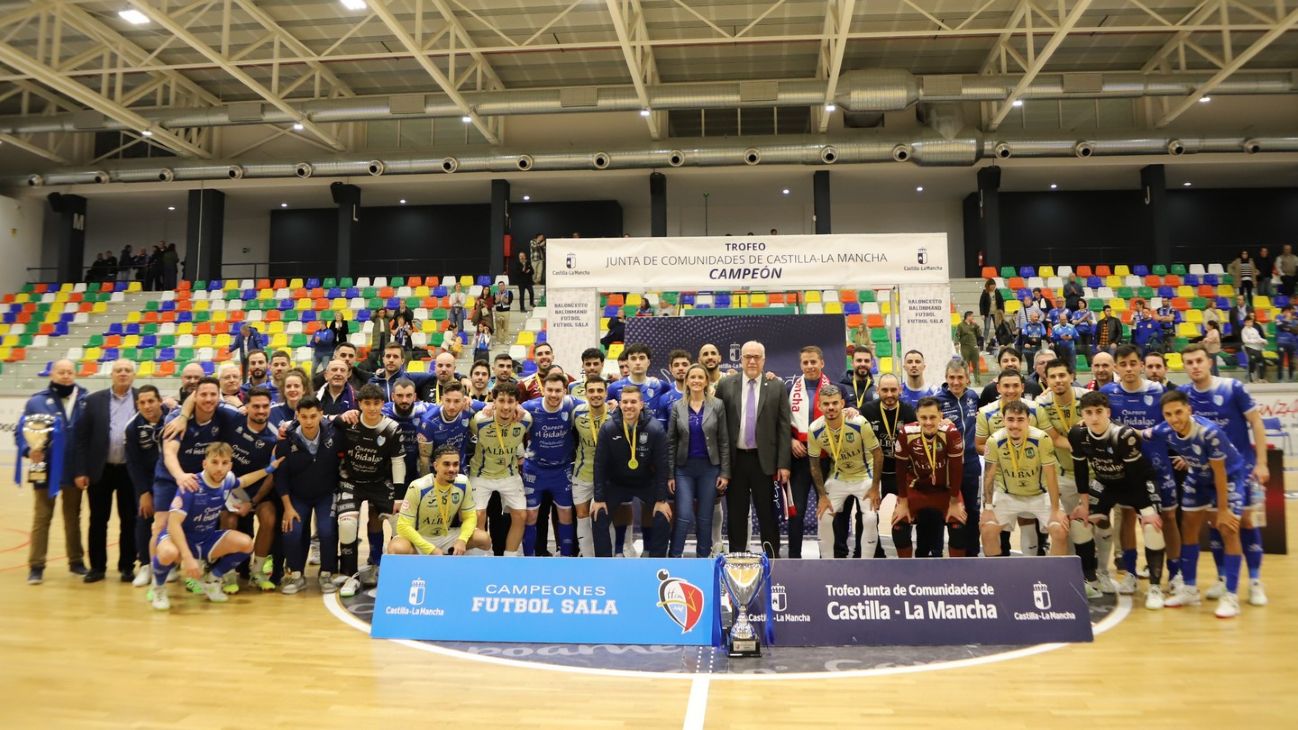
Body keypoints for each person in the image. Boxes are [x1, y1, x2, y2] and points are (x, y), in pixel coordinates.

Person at [1179, 344, 1269, 607]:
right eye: (1189, 362)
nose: (1195, 366)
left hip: (1241, 470)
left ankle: (1255, 581)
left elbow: (1256, 422)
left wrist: (1262, 463)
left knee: (1246, 522)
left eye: (1199, 360)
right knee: (1216, 523)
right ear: (1184, 367)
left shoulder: (1232, 388)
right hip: (1208, 475)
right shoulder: (1184, 394)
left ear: (1209, 362)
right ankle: (1222, 577)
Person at [1149, 391, 1248, 618]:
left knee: (1228, 529)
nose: (1174, 419)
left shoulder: (1209, 432)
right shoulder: (1164, 429)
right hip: (1198, 477)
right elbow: (1140, 433)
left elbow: (1220, 473)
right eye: (1168, 414)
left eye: (1178, 412)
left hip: (1228, 478)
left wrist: (1223, 510)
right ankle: (1190, 589)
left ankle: (1231, 596)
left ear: (1189, 410)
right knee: (1188, 528)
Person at [148, 443, 280, 610]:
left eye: (224, 463)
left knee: (246, 544)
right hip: (179, 538)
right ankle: (158, 587)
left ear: (230, 465)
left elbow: (244, 481)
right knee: (168, 552)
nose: (219, 468)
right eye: (215, 462)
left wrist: (269, 469)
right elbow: (173, 525)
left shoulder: (228, 479)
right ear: (205, 463)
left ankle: (212, 580)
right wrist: (187, 558)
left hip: (205, 539)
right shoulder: (191, 485)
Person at [1070, 392, 1166, 609]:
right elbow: (1080, 470)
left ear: (1108, 412)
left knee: (1152, 527)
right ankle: (1091, 581)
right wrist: (1083, 503)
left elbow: (1134, 477)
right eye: (1088, 413)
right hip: (1106, 482)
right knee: (1079, 522)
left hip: (1137, 483)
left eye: (1099, 412)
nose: (1094, 417)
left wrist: (1146, 510)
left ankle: (1155, 588)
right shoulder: (1077, 434)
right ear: (1082, 414)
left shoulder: (1123, 435)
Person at [714, 341, 791, 558]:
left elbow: (784, 427)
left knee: (767, 514)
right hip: (735, 461)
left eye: (757, 357)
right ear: (741, 360)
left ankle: (772, 558)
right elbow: (717, 423)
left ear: (764, 360)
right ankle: (737, 559)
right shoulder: (726, 384)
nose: (752, 361)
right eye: (748, 356)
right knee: (736, 514)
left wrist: (783, 464)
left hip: (764, 461)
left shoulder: (776, 386)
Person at [17, 360, 90, 584]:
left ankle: (76, 561)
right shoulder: (37, 401)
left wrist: (85, 468)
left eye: (69, 372)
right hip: (44, 467)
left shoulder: (85, 399)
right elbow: (21, 432)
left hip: (73, 468)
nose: (66, 376)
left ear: (75, 374)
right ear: (52, 374)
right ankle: (36, 566)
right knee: (42, 516)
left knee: (73, 516)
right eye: (61, 372)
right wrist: (29, 450)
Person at [331, 384, 404, 597]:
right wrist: (338, 416)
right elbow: (322, 419)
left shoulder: (392, 428)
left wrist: (399, 496)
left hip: (379, 481)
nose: (372, 408)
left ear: (383, 404)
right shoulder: (348, 422)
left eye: (376, 403)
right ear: (359, 404)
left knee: (400, 523)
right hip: (351, 481)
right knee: (347, 524)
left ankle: (382, 566)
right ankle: (350, 575)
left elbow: (398, 462)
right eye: (367, 403)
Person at [69, 360, 137, 584]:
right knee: (98, 520)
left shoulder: (142, 398)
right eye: (119, 370)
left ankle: (127, 566)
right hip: (100, 470)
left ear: (134, 375)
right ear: (112, 374)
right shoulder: (93, 400)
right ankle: (97, 567)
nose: (123, 374)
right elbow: (81, 438)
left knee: (130, 520)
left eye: (127, 370)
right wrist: (80, 470)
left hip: (130, 471)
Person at [979, 401, 1068, 557]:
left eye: (1020, 420)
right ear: (1003, 420)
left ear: (1029, 420)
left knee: (1060, 530)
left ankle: (1053, 572)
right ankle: (996, 572)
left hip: (1039, 495)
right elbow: (989, 476)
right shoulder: (994, 441)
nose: (1015, 425)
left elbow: (1051, 475)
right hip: (1007, 494)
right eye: (1010, 419)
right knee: (987, 529)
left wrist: (1055, 510)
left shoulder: (1042, 438)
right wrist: (987, 508)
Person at [591, 385, 671, 557]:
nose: (629, 406)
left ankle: (656, 561)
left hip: (645, 482)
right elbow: (599, 465)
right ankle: (603, 563)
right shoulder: (608, 428)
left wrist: (661, 499)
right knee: (598, 513)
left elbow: (662, 465)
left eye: (633, 402)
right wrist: (599, 498)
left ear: (641, 404)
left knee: (663, 514)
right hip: (617, 483)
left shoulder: (655, 429)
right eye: (625, 402)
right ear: (620, 404)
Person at [276, 396, 340, 594]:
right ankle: (296, 575)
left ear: (321, 414)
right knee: (291, 530)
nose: (309, 421)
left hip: (326, 495)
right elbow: (280, 478)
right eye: (304, 417)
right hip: (298, 497)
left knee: (327, 530)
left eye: (313, 416)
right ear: (297, 416)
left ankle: (326, 573)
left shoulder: (334, 435)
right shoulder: (286, 441)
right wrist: (287, 507)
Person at [666, 364, 730, 558]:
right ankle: (674, 558)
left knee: (704, 518)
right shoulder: (677, 406)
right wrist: (670, 474)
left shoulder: (717, 405)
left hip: (709, 469)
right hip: (684, 470)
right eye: (692, 377)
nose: (696, 380)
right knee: (684, 515)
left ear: (706, 381)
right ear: (686, 381)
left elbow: (724, 440)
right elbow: (671, 443)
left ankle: (703, 560)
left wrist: (725, 473)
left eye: (700, 377)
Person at [893, 397, 965, 558]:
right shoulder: (906, 432)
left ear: (940, 416)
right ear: (917, 417)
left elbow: (956, 469)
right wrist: (902, 501)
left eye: (932, 417)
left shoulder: (951, 432)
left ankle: (957, 570)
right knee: (898, 527)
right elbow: (900, 469)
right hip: (916, 489)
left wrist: (954, 501)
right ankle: (904, 569)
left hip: (946, 491)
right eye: (923, 418)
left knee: (959, 528)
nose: (928, 422)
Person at [390, 444, 492, 557]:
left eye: (455, 464)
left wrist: (462, 540)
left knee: (483, 538)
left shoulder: (463, 483)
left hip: (447, 537)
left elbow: (470, 517)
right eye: (446, 464)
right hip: (420, 538)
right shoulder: (418, 487)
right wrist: (431, 549)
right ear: (436, 466)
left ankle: (468, 566)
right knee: (396, 548)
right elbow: (403, 526)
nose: (452, 469)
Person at [469, 382, 533, 556]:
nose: (506, 407)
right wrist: (485, 406)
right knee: (478, 515)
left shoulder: (525, 420)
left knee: (521, 515)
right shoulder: (480, 421)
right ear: (494, 401)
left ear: (517, 403)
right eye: (501, 401)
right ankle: (480, 557)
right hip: (481, 474)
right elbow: (467, 404)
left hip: (509, 474)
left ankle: (509, 558)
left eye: (510, 401)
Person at [520, 373, 580, 557]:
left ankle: (566, 556)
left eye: (558, 391)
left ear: (565, 391)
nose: (554, 395)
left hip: (561, 471)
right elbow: (506, 408)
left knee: (566, 514)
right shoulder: (530, 407)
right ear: (543, 390)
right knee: (531, 516)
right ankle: (528, 559)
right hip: (534, 469)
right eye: (550, 390)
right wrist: (487, 406)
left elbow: (596, 406)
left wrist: (612, 404)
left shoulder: (572, 404)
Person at [859, 373, 917, 558]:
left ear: (900, 390)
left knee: (902, 519)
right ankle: (871, 555)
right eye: (885, 390)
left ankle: (905, 559)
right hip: (875, 475)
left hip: (901, 474)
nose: (890, 394)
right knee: (867, 516)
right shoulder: (866, 411)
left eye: (893, 390)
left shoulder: (909, 412)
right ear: (877, 390)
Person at [786, 345, 832, 558]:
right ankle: (794, 557)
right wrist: (790, 440)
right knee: (797, 511)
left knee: (828, 510)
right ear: (800, 365)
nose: (810, 366)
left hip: (826, 458)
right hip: (800, 458)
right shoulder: (789, 389)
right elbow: (781, 421)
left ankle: (829, 557)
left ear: (822, 363)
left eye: (814, 361)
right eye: (805, 362)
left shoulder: (835, 389)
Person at [124, 386, 168, 587]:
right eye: (142, 402)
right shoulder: (132, 427)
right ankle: (145, 565)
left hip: (170, 481)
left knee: (172, 522)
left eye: (151, 401)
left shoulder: (172, 418)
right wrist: (143, 492)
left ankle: (170, 564)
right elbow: (133, 463)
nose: (147, 406)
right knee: (144, 520)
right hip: (147, 483)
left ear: (160, 401)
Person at [936, 359, 982, 557]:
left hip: (971, 464)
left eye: (960, 377)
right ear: (946, 378)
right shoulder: (937, 401)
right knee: (947, 510)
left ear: (967, 378)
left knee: (972, 510)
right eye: (952, 377)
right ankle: (949, 552)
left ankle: (972, 554)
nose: (955, 382)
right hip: (947, 466)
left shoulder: (973, 397)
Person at [571, 375, 612, 557]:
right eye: (591, 391)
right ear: (586, 393)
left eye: (600, 390)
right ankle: (587, 557)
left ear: (606, 393)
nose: (596, 394)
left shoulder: (615, 414)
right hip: (582, 473)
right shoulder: (576, 413)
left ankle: (608, 557)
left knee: (605, 516)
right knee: (582, 515)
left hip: (607, 476)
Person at [977, 347, 1042, 406]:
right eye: (1005, 361)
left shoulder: (1034, 387)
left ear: (1020, 363)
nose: (1010, 364)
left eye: (1013, 360)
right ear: (999, 365)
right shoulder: (989, 390)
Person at [955, 312, 982, 383]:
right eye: (972, 316)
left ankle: (977, 379)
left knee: (976, 364)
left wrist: (977, 326)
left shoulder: (974, 325)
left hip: (974, 346)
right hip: (965, 347)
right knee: (966, 364)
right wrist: (956, 343)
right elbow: (957, 335)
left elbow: (979, 334)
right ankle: (967, 380)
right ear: (967, 316)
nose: (973, 317)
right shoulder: (960, 325)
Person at [1240, 314, 1268, 382]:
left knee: (1262, 362)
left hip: (1257, 348)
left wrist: (1264, 341)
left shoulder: (1254, 330)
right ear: (1245, 323)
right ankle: (1252, 378)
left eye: (1251, 322)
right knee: (1252, 361)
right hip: (1249, 348)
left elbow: (1259, 338)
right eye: (1248, 322)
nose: (1249, 323)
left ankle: (1261, 378)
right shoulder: (1244, 330)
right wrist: (1255, 341)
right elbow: (1245, 340)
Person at [979, 279, 1004, 351]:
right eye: (992, 286)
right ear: (988, 286)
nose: (993, 287)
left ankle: (999, 340)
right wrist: (982, 314)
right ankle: (984, 341)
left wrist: (1002, 311)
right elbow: (981, 303)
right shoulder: (985, 292)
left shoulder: (997, 292)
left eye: (994, 286)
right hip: (988, 313)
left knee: (997, 327)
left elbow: (1001, 302)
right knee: (987, 327)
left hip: (996, 313)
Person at [1275, 303, 1298, 381]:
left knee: (1291, 362)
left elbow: (1296, 331)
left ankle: (1290, 378)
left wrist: (1287, 327)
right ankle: (1280, 379)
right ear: (1286, 311)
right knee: (1280, 361)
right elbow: (1280, 327)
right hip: (1281, 342)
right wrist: (1287, 321)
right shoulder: (1278, 317)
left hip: (1291, 343)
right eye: (1291, 311)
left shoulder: (1294, 320)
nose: (1292, 313)